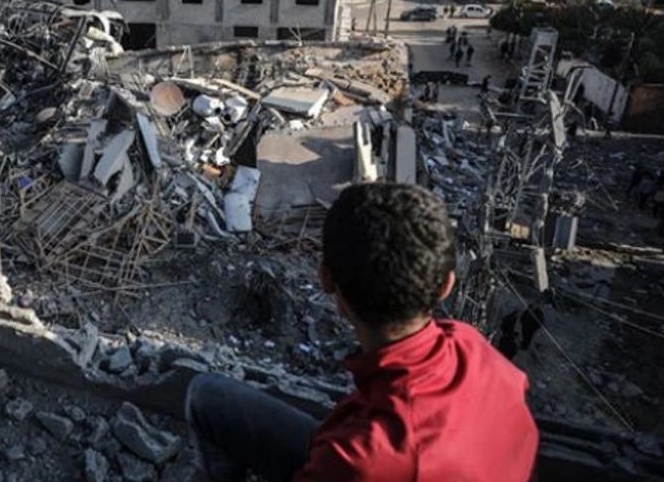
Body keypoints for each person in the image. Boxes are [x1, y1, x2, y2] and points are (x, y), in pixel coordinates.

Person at [185, 183, 539, 482]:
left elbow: (370, 459)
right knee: (212, 398)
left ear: (325, 278)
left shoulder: (362, 458)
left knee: (206, 395)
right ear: (446, 285)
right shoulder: (472, 347)